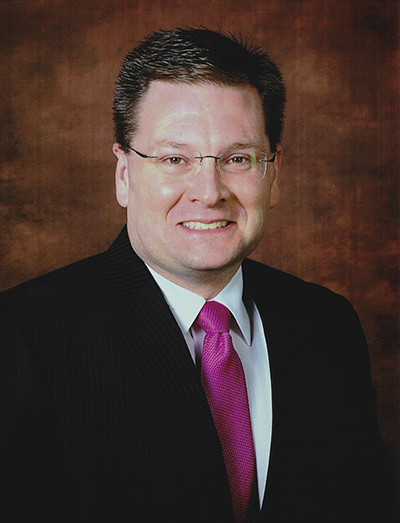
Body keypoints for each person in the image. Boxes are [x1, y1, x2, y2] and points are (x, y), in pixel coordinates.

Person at [0, 28, 396, 522]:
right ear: (124, 174)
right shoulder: (22, 336)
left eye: (237, 159)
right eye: (174, 159)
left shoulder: (327, 324)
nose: (209, 192)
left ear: (274, 174)